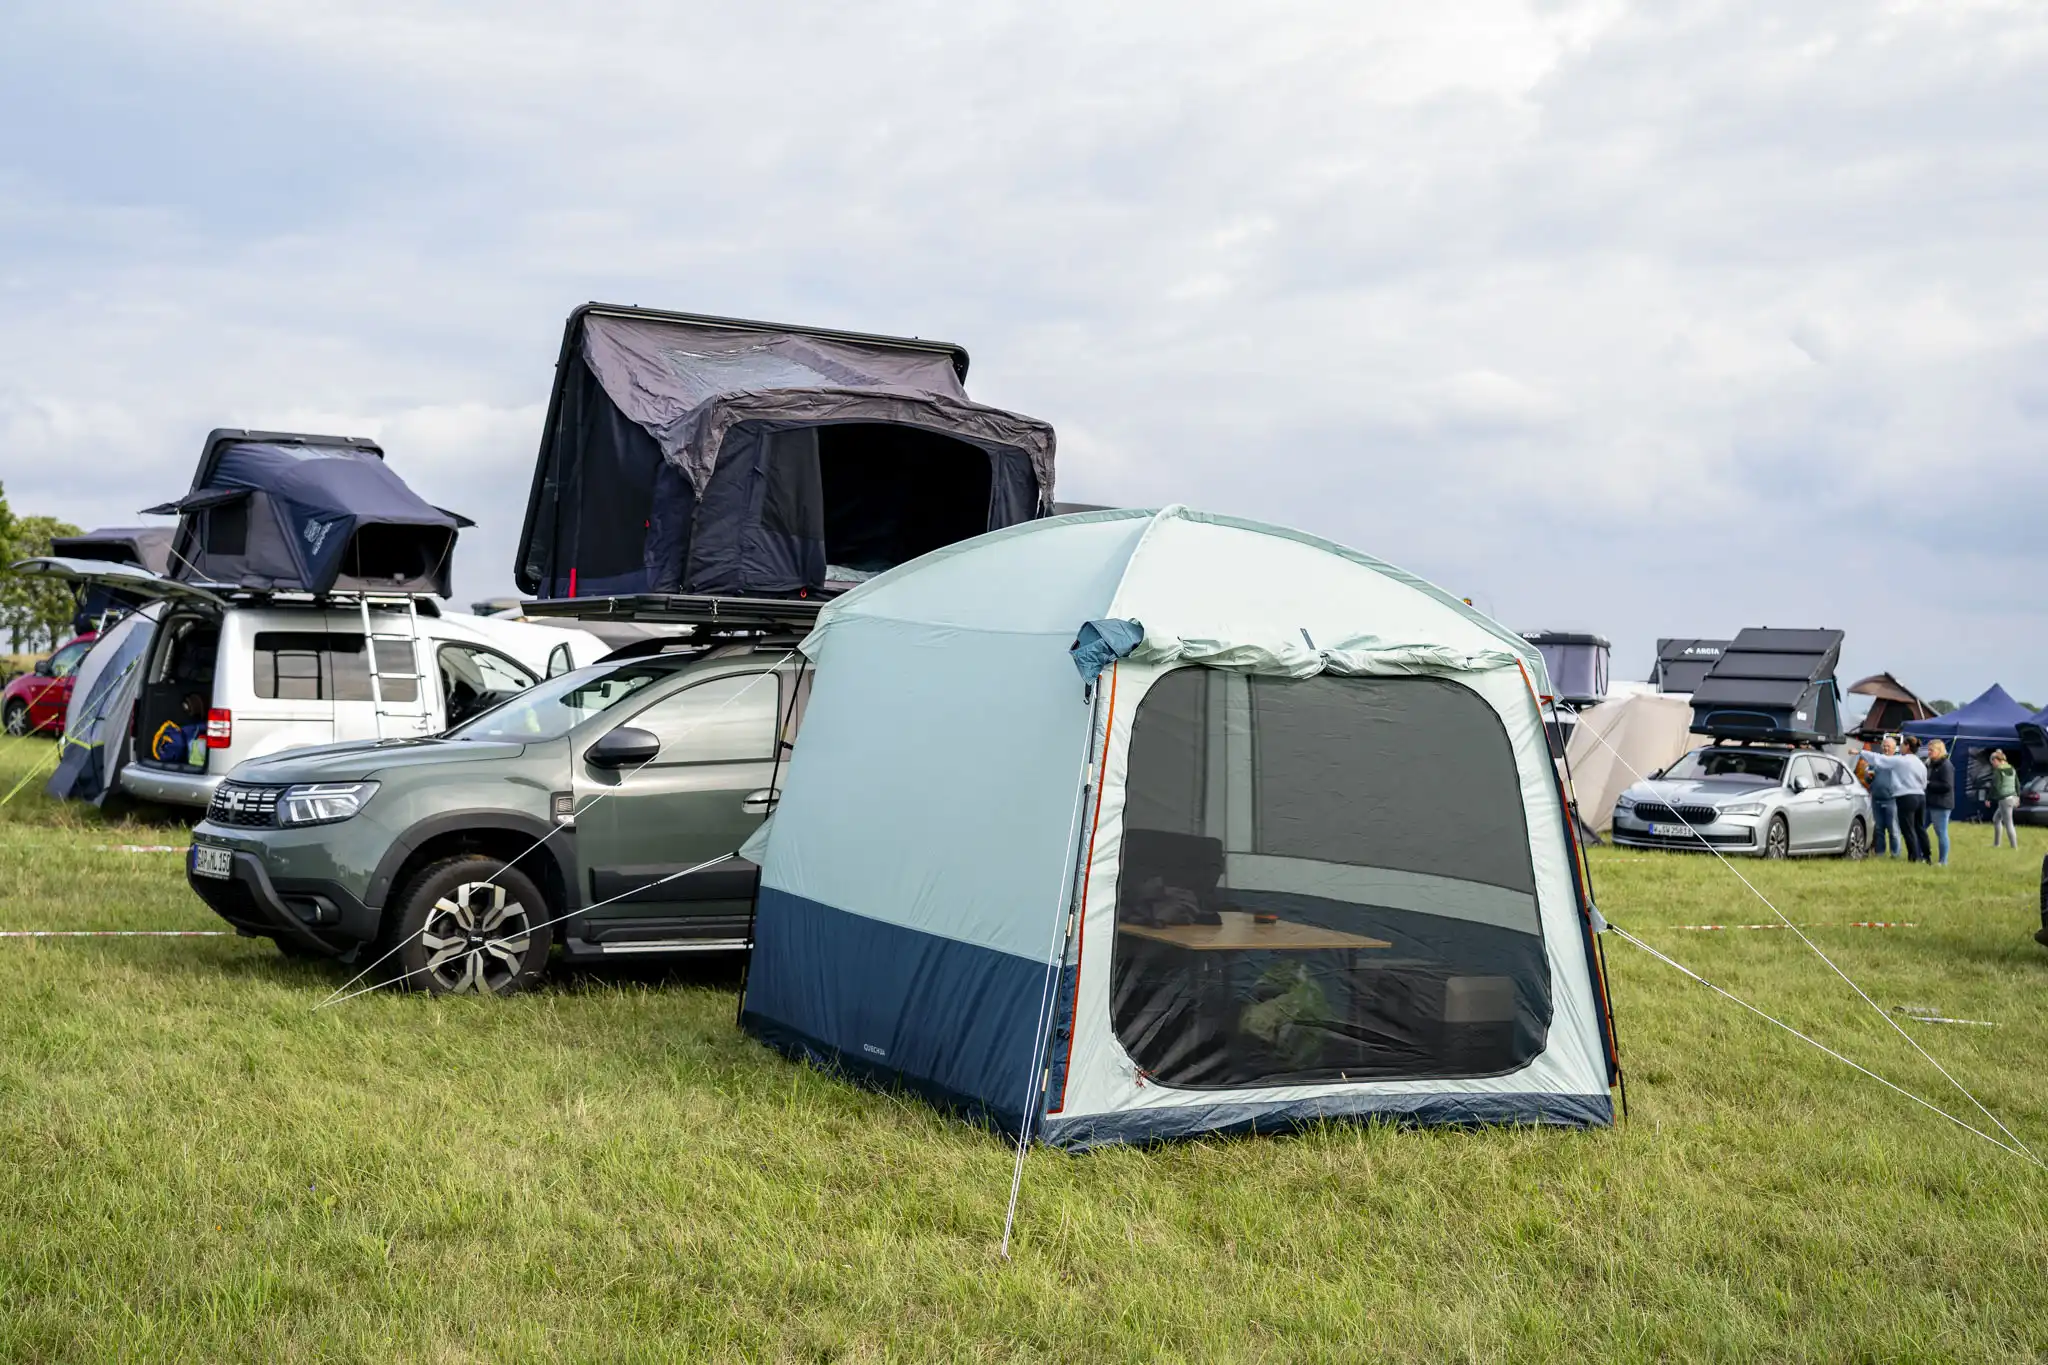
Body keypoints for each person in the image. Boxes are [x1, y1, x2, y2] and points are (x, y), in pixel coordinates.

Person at [1861, 736, 1903, 858]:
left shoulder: (1897, 762)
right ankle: (1880, 853)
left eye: (1888, 746)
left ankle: (1895, 854)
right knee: (1879, 828)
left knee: (1893, 829)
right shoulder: (1876, 761)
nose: (1886, 748)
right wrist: (1867, 776)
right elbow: (1868, 780)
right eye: (1884, 746)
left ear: (1894, 748)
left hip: (1892, 800)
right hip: (1876, 799)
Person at [1891, 739, 1930, 863]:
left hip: (1906, 796)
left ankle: (1914, 856)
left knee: (1908, 828)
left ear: (1907, 746)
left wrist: (1861, 752)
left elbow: (1881, 760)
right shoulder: (1920, 763)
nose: (1900, 748)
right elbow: (1924, 783)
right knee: (1920, 827)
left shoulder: (1902, 760)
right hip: (1920, 796)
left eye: (1902, 745)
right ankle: (1927, 855)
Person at [1923, 739, 1954, 866]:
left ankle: (1943, 861)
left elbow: (1947, 786)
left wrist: (1929, 784)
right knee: (1920, 828)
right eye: (1928, 750)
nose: (1929, 752)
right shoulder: (1930, 764)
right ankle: (1923, 855)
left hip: (1941, 804)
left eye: (1932, 750)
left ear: (1939, 751)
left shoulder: (1946, 765)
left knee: (1941, 832)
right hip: (1929, 802)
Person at [1988, 749, 2021, 848]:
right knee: (1996, 819)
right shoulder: (2012, 769)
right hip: (2013, 798)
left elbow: (1995, 786)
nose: (1993, 765)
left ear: (1996, 760)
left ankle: (2014, 846)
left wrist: (1989, 798)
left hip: (2005, 800)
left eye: (1993, 762)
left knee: (2009, 823)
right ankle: (1996, 844)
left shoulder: (1999, 771)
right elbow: (2017, 784)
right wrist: (2018, 797)